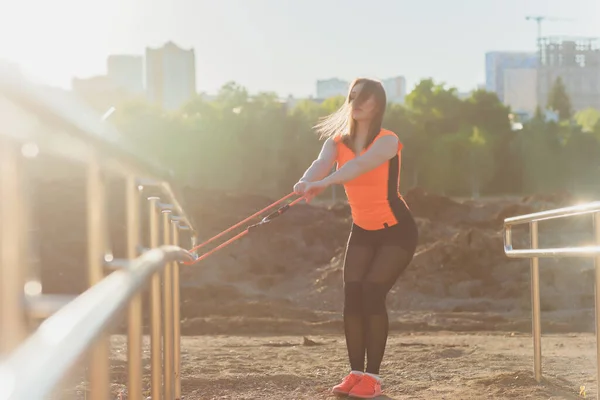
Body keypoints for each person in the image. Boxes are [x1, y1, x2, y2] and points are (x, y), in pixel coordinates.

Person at [293, 78, 418, 399]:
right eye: (353, 97)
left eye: (366, 98)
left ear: (379, 104)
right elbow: (321, 164)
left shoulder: (388, 141)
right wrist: (306, 181)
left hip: (397, 231)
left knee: (372, 295)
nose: (358, 103)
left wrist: (324, 184)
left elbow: (360, 167)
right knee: (353, 298)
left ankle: (372, 379)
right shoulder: (336, 142)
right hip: (362, 230)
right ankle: (355, 374)